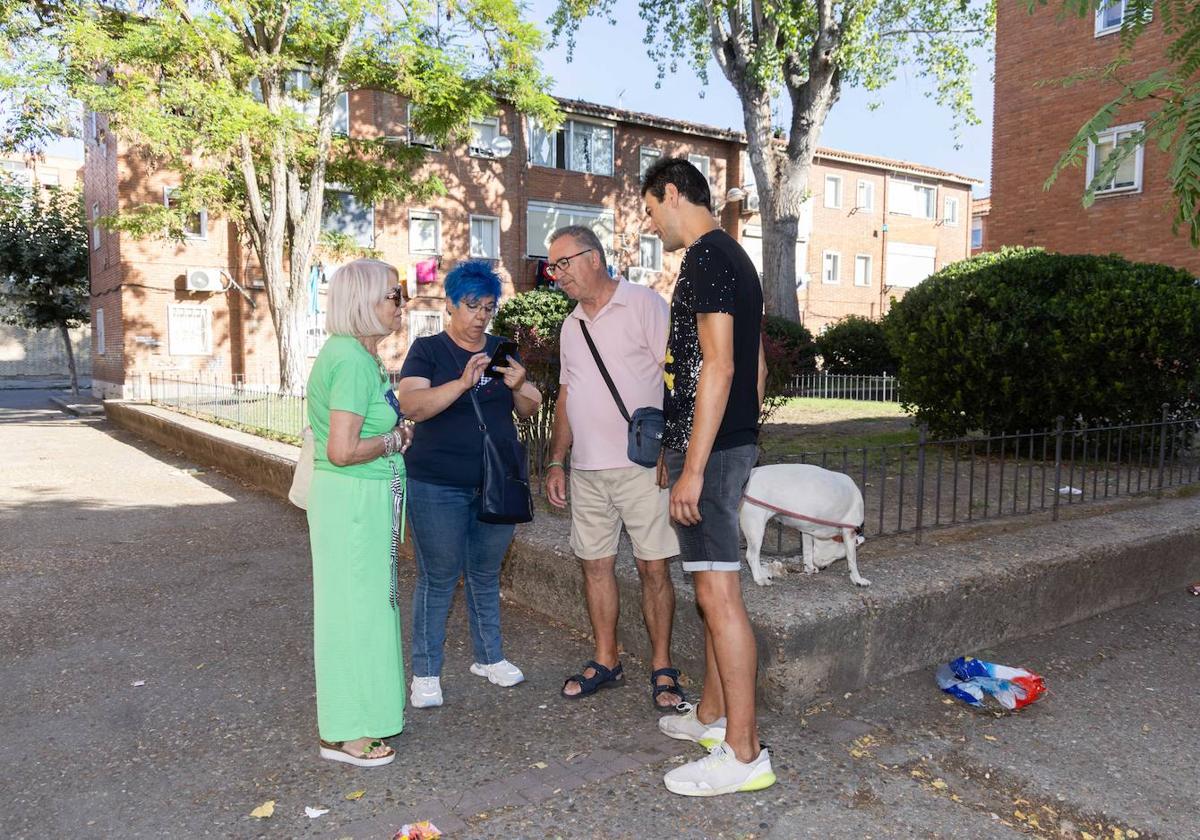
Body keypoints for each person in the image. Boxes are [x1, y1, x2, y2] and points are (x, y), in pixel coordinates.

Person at [640, 157, 775, 796]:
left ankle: (744, 753)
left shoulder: (705, 259)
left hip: (715, 453)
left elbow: (718, 370)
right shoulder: (735, 257)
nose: (650, 223)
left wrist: (695, 466)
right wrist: (687, 447)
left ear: (670, 194)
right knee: (714, 593)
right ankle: (715, 718)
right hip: (723, 445)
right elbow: (753, 371)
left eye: (648, 209)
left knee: (718, 598)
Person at [543, 225, 684, 708]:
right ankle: (607, 659)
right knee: (596, 568)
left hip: (642, 466)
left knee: (653, 569)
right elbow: (567, 394)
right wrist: (557, 459)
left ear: (594, 258)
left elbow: (679, 374)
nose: (555, 275)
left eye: (563, 263)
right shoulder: (570, 325)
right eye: (552, 266)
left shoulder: (644, 305)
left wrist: (673, 447)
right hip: (586, 470)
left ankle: (663, 667)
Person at [397, 261, 542, 708]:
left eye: (489, 306)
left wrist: (520, 385)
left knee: (484, 574)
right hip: (437, 483)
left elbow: (529, 408)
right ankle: (425, 672)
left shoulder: (502, 349)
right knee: (438, 578)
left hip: (495, 484)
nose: (481, 315)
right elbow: (414, 406)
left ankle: (489, 657)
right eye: (472, 305)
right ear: (450, 306)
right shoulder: (428, 350)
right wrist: (462, 383)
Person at [306, 258, 411, 768]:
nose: (402, 302)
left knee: (370, 608)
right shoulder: (348, 359)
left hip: (362, 502)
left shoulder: (359, 356)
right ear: (365, 300)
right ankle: (347, 731)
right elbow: (343, 450)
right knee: (353, 612)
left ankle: (368, 713)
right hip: (351, 503)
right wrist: (395, 437)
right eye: (394, 294)